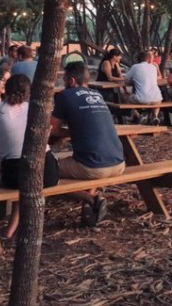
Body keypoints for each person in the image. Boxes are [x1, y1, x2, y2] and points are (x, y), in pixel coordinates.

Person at [0, 74, 57, 240]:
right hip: (48, 172)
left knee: (22, 181)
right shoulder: (37, 108)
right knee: (27, 178)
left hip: (14, 174)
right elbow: (47, 131)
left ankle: (8, 230)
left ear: (6, 90)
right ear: (28, 91)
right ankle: (10, 230)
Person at [50, 62, 126, 227]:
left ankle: (91, 199)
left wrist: (73, 131)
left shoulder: (65, 95)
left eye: (63, 79)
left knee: (43, 170)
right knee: (91, 162)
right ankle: (88, 206)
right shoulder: (97, 94)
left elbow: (52, 130)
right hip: (119, 163)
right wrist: (80, 130)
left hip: (93, 167)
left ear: (71, 81)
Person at [125, 51, 163, 124]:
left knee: (125, 97)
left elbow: (126, 79)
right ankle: (155, 116)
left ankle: (139, 116)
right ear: (148, 59)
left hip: (142, 99)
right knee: (155, 98)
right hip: (157, 99)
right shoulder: (153, 67)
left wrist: (134, 80)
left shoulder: (135, 67)